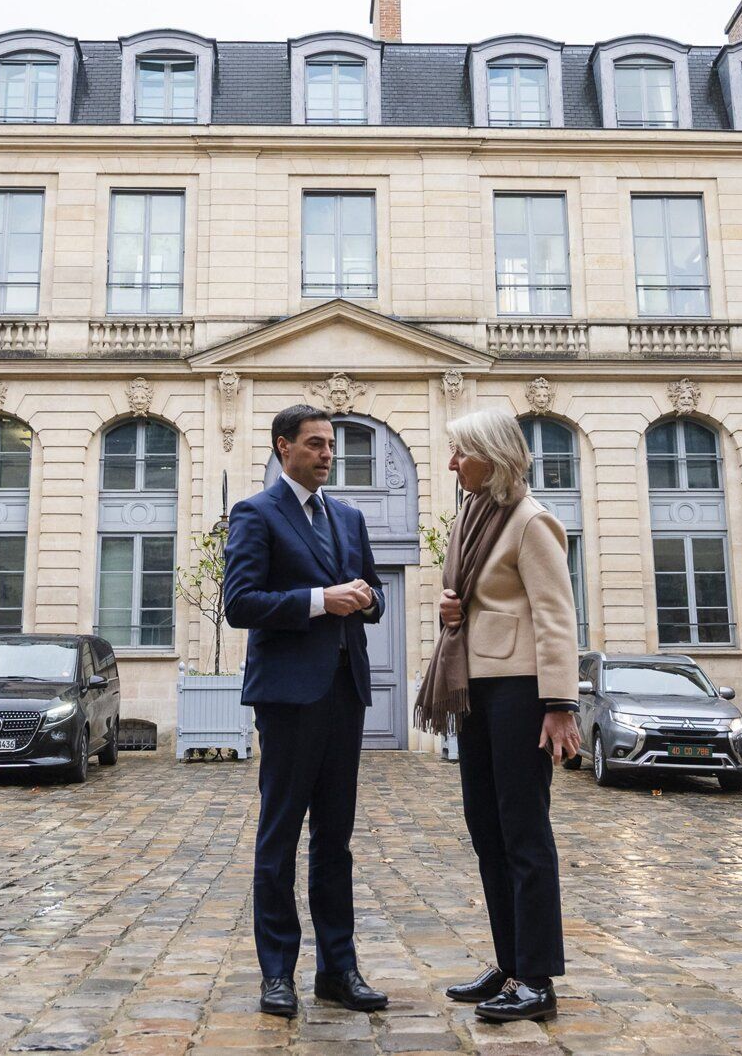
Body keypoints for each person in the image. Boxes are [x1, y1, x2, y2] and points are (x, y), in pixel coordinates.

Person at [417, 407, 581, 1023]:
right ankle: (510, 962)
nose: (452, 463)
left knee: (524, 835)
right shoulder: (471, 516)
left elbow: (557, 615)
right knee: (487, 831)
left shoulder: (530, 521)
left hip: (521, 692)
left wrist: (560, 704)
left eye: (461, 452)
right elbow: (472, 601)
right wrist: (450, 612)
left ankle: (537, 978)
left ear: (492, 455)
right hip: (478, 689)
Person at [223, 405, 388, 1018]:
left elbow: (370, 590)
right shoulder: (256, 513)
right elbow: (240, 603)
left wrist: (364, 597)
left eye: (331, 446)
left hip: (344, 692)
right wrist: (322, 599)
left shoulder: (348, 516)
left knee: (336, 841)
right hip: (289, 698)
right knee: (281, 836)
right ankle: (277, 975)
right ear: (282, 447)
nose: (328, 454)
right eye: (316, 444)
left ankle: (338, 971)